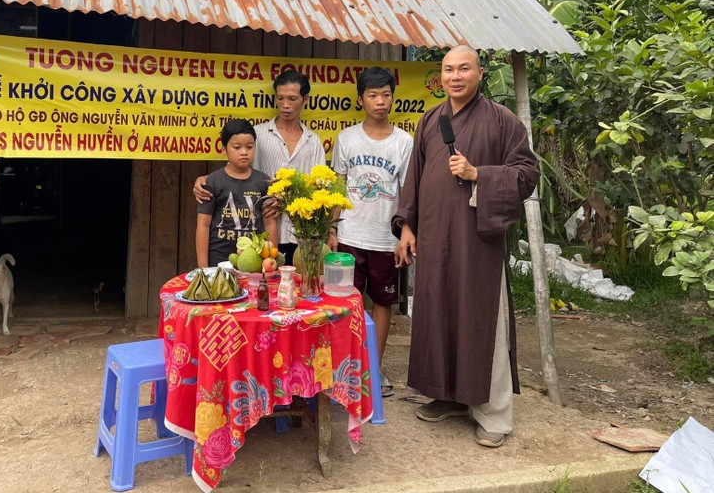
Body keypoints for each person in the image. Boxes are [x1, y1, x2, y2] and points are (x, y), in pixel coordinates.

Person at [392, 45, 539, 448]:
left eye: (464, 69)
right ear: (441, 77)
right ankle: (448, 394)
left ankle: (493, 414)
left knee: (480, 321)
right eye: (448, 70)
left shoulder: (502, 121)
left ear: (479, 73)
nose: (455, 77)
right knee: (438, 313)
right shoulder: (431, 120)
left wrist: (480, 175)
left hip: (477, 243)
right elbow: (415, 177)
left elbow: (527, 174)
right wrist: (407, 225)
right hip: (436, 238)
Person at [328, 66, 413, 399]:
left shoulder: (404, 142)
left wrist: (405, 232)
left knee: (382, 302)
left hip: (384, 238)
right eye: (373, 95)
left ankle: (373, 369)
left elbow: (406, 192)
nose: (380, 101)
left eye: (386, 95)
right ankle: (342, 368)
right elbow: (338, 185)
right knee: (344, 303)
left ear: (393, 97)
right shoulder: (347, 138)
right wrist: (332, 228)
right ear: (360, 98)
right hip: (349, 235)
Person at [194, 70, 325, 265]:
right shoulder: (258, 134)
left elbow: (319, 187)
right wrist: (204, 181)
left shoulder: (313, 142)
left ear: (305, 99)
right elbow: (237, 170)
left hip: (300, 234)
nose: (286, 105)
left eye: (292, 98)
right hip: (259, 237)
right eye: (280, 98)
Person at [196, 119, 278, 268]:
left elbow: (270, 223)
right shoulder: (212, 182)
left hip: (254, 261)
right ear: (223, 149)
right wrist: (203, 268)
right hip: (218, 260)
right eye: (237, 147)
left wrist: (271, 260)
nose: (244, 152)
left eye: (249, 147)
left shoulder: (263, 181)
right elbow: (203, 225)